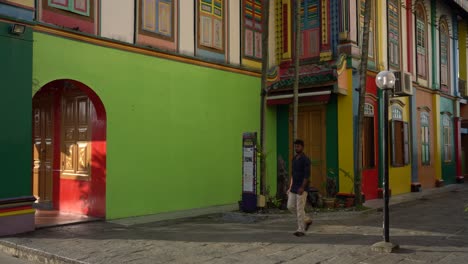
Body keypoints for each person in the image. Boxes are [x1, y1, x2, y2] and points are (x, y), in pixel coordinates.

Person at [287, 139, 313, 237]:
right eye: (295, 146)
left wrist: (302, 187)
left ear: (302, 147)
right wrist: (290, 187)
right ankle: (306, 220)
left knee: (300, 208)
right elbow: (293, 174)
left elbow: (307, 175)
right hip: (293, 187)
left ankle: (301, 230)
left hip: (302, 188)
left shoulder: (305, 159)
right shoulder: (294, 159)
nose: (296, 148)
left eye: (298, 146)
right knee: (290, 206)